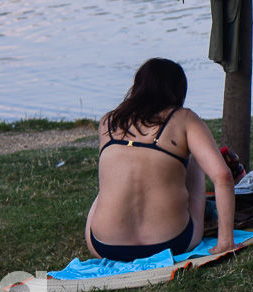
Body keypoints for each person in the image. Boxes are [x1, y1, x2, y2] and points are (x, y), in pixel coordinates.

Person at [86, 58, 237, 261]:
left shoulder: (108, 121)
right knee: (193, 160)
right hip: (172, 244)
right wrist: (226, 242)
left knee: (113, 177)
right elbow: (223, 176)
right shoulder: (184, 118)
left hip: (105, 247)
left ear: (137, 86)